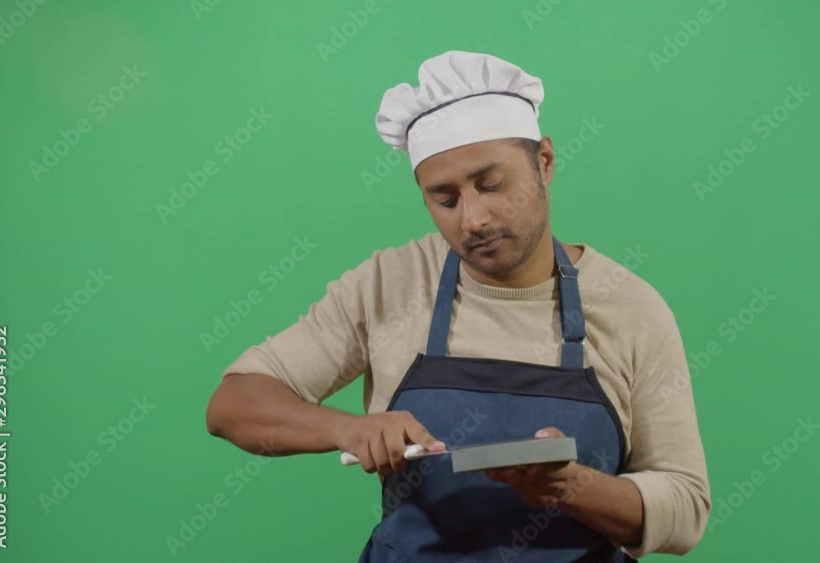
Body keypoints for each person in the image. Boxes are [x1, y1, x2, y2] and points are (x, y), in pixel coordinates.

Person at [206, 50, 711, 562]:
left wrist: (571, 487)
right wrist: (349, 428)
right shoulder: (388, 284)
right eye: (444, 199)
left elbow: (686, 510)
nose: (472, 220)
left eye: (491, 185)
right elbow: (233, 404)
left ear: (545, 163)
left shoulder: (630, 307)